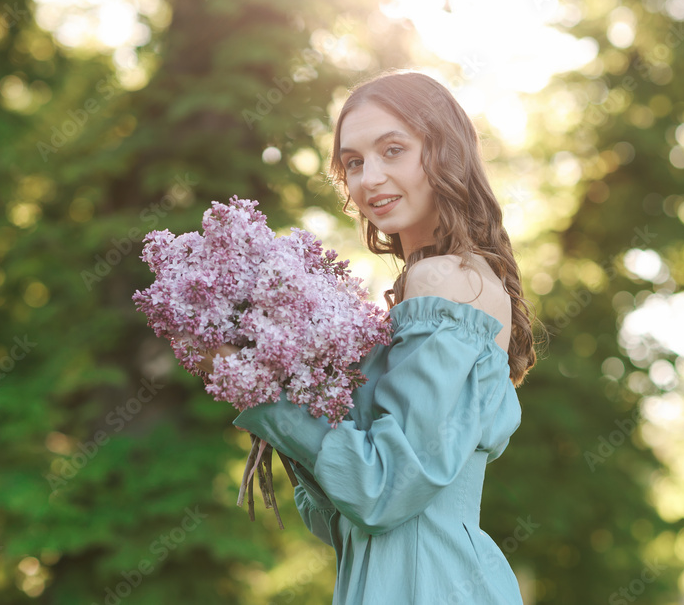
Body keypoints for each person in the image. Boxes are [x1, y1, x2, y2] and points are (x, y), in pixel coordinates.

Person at [203, 70, 538, 603]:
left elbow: (382, 491)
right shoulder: (426, 286)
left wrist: (262, 395)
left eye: (393, 150)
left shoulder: (447, 280)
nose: (370, 177)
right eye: (354, 162)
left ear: (445, 154)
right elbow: (337, 517)